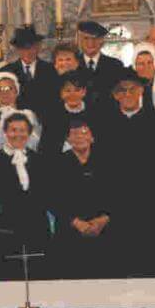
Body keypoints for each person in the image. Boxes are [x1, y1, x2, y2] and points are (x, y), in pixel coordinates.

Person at [101, 72, 155, 277]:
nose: (127, 94)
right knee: (119, 265)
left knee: (150, 263)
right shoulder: (105, 124)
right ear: (115, 95)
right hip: (116, 205)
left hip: (149, 204)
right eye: (122, 90)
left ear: (141, 91)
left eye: (132, 89)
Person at [0, 111, 51, 281]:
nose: (18, 134)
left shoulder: (39, 160)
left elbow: (46, 195)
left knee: (38, 276)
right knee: (10, 277)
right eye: (13, 130)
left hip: (37, 228)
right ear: (5, 133)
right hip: (7, 229)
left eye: (22, 130)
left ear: (29, 133)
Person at [49, 117, 112, 279]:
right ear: (68, 140)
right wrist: (76, 222)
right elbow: (52, 198)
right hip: (69, 231)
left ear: (92, 137)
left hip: (104, 229)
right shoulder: (57, 163)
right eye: (74, 134)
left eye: (84, 133)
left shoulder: (108, 161)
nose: (79, 137)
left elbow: (118, 194)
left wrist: (104, 219)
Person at [3, 26, 59, 121]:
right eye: (23, 48)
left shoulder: (50, 70)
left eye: (31, 47)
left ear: (38, 47)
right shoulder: (8, 71)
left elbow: (55, 99)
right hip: (17, 121)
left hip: (46, 120)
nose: (27, 52)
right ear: (17, 49)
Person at [39, 69, 97, 156]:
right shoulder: (52, 115)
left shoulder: (95, 113)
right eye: (68, 90)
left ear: (84, 92)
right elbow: (46, 147)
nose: (72, 94)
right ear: (61, 93)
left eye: (77, 90)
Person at [0, 71, 43, 151]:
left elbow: (36, 142)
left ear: (16, 90)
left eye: (9, 88)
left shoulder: (29, 115)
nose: (5, 92)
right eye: (0, 89)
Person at [77, 21, 125, 106]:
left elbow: (120, 97)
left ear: (102, 41)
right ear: (79, 40)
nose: (90, 43)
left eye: (95, 39)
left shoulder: (115, 66)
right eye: (86, 38)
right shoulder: (73, 64)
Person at [130, 41, 155, 110]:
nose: (146, 67)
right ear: (135, 67)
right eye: (141, 64)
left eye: (149, 63)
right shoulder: (128, 90)